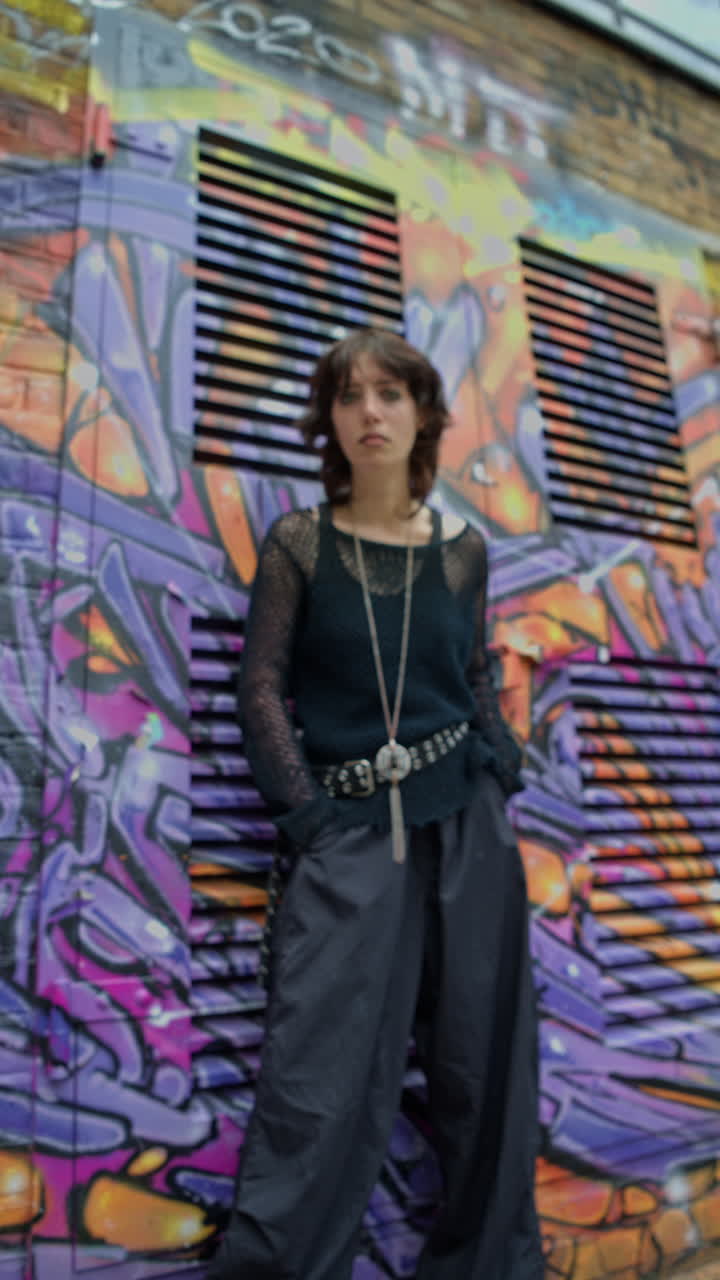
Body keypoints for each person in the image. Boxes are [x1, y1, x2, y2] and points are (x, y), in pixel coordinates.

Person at [207, 329, 543, 1280]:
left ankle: (487, 1267)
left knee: (486, 1066)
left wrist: (502, 765)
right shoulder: (300, 545)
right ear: (330, 421)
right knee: (319, 1075)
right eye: (350, 397)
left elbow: (472, 671)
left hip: (469, 825)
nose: (371, 413)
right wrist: (307, 816)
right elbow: (262, 685)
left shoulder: (464, 550)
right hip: (351, 833)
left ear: (425, 413)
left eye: (391, 395)